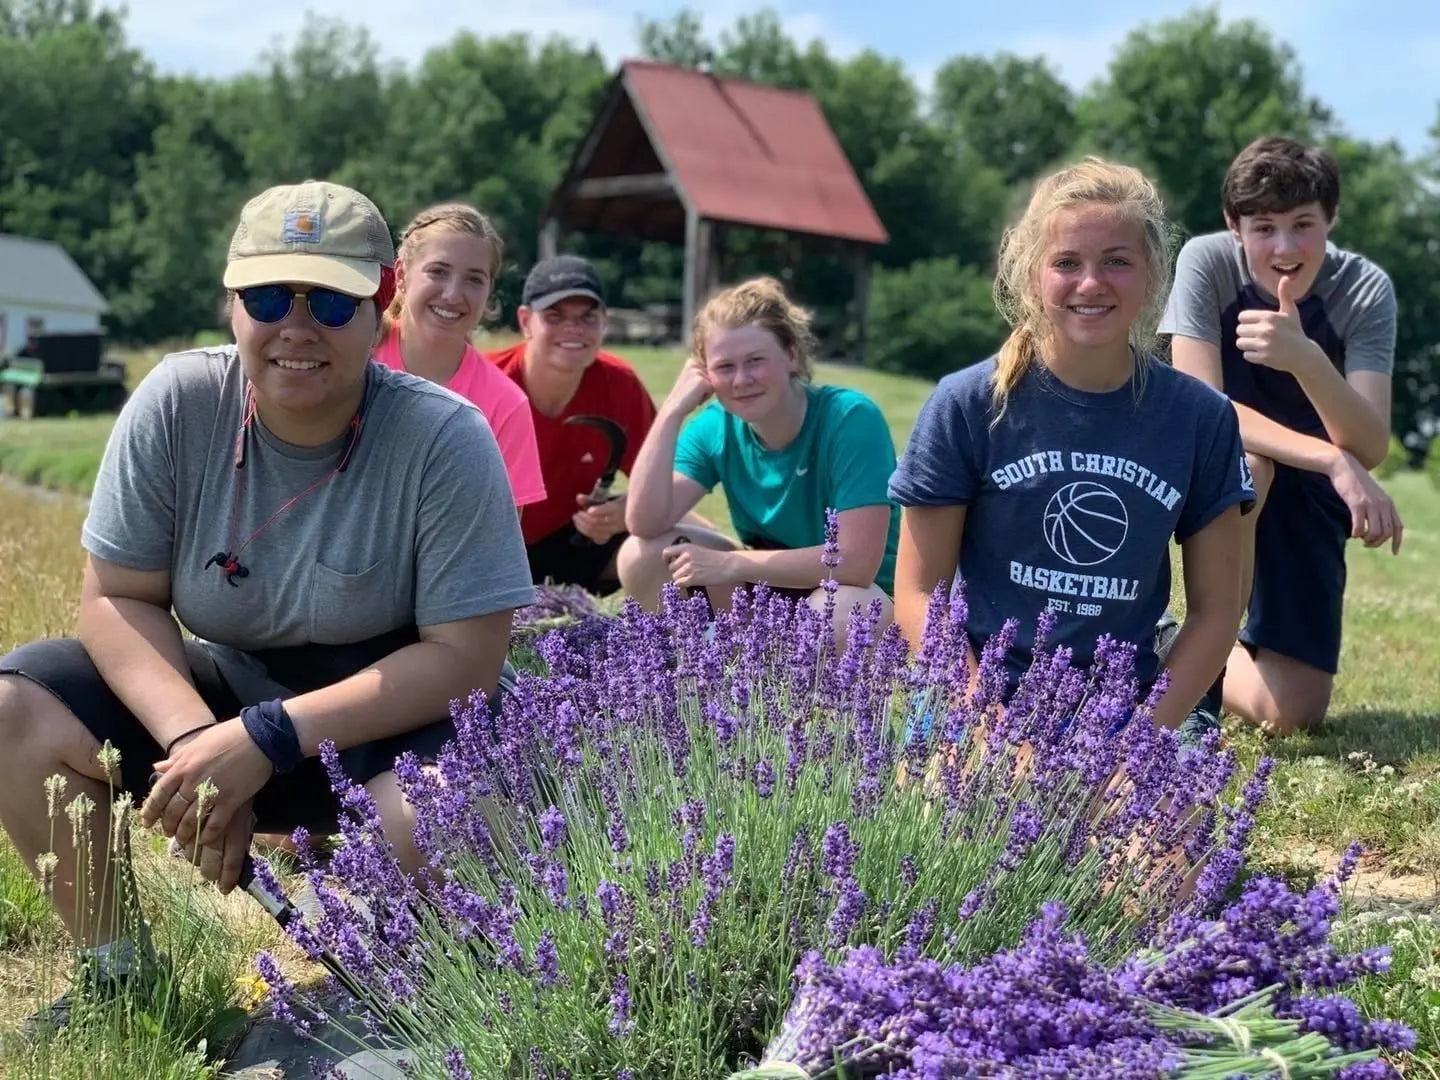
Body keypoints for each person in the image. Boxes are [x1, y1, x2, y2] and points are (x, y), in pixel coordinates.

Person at [0, 179, 534, 1033]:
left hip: (394, 713)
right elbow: (115, 597)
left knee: (436, 812)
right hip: (227, 693)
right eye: (267, 296)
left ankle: (413, 990)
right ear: (231, 304)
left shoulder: (447, 437)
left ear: (379, 306)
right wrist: (197, 752)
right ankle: (120, 977)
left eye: (329, 299)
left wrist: (266, 738)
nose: (297, 326)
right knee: (15, 704)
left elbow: (466, 659)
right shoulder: (178, 403)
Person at [888, 158, 1253, 739]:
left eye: (1117, 261)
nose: (1092, 282)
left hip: (1123, 709)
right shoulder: (965, 404)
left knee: (1157, 834)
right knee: (954, 828)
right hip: (978, 695)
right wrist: (988, 729)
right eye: (1066, 263)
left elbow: (1216, 613)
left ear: (1154, 273)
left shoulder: (1200, 418)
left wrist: (1135, 741)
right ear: (1032, 274)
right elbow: (916, 592)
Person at [1159, 136, 1403, 737]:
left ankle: (1164, 644)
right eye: (1264, 227)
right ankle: (1199, 688)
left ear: (1332, 220)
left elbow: (1370, 446)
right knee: (1249, 464)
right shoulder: (1207, 262)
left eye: (1304, 225)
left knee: (1291, 713)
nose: (1286, 248)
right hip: (1226, 471)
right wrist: (1333, 460)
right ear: (1233, 226)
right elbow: (1206, 411)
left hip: (1311, 491)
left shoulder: (1365, 290)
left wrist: (1306, 358)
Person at [619, 276, 900, 646]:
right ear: (704, 374)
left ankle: (777, 671)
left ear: (791, 355)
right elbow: (645, 521)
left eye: (755, 361)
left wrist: (730, 564)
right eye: (724, 367)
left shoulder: (850, 418)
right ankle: (697, 666)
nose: (741, 380)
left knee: (839, 611)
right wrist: (671, 412)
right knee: (641, 554)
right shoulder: (715, 426)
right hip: (769, 588)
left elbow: (857, 562)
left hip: (856, 591)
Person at [487, 255, 658, 595]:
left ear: (604, 322)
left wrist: (626, 510)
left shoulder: (620, 385)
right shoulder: (489, 382)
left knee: (667, 542)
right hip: (489, 550)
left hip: (575, 543)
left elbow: (664, 483)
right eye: (555, 316)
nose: (573, 328)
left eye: (587, 317)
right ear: (525, 320)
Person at [372, 202, 545, 513]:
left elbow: (499, 536)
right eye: (438, 272)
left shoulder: (505, 405)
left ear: (489, 290)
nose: (453, 294)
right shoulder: (356, 359)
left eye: (474, 279)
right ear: (401, 274)